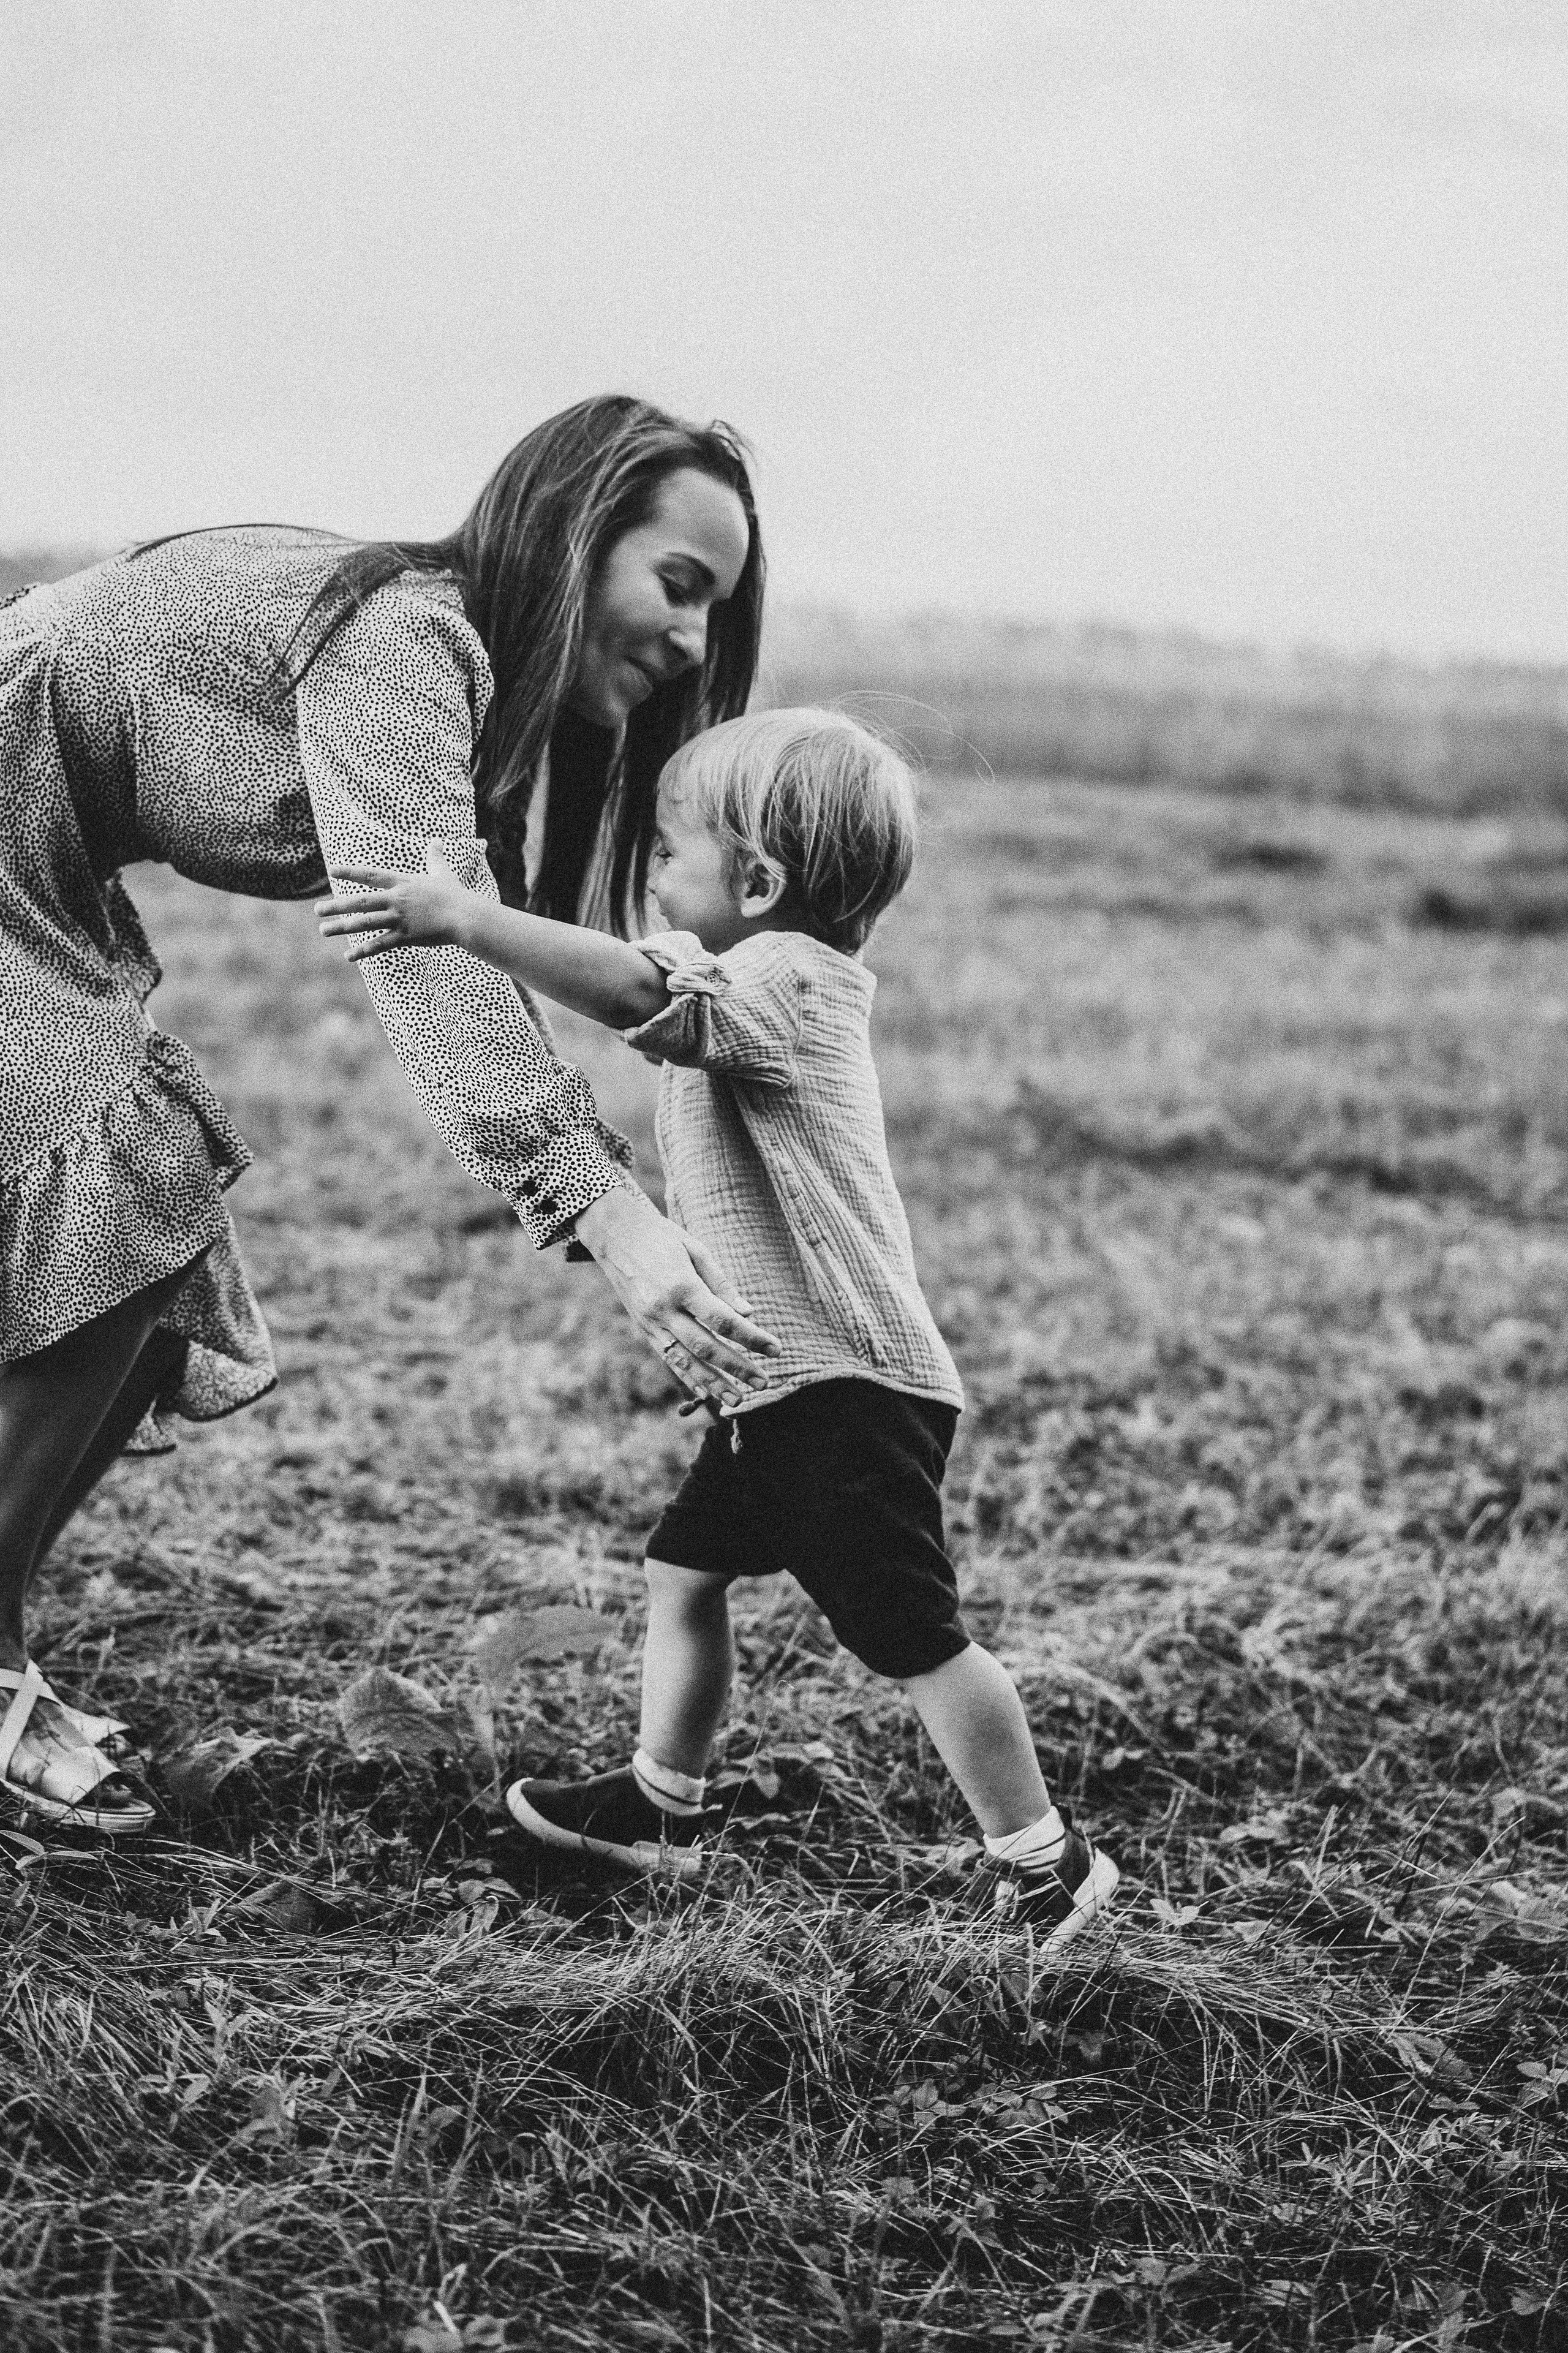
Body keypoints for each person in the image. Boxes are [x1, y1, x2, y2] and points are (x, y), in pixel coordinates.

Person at [0, 395, 783, 1836]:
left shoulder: (459, 682)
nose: (688, 640)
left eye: (711, 613)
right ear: (574, 530)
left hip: (47, 879)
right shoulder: (407, 642)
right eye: (678, 584)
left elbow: (486, 938)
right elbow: (421, 958)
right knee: (130, 1165)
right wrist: (612, 1220)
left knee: (152, 1227)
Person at [318, 708, 1119, 1944]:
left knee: (911, 1637)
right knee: (681, 1570)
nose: (651, 873)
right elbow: (659, 987)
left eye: (670, 852)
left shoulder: (785, 980)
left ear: (760, 881)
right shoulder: (762, 979)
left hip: (844, 1390)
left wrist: (470, 922)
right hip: (776, 1388)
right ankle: (659, 1805)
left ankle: (1042, 1859)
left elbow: (646, 992)